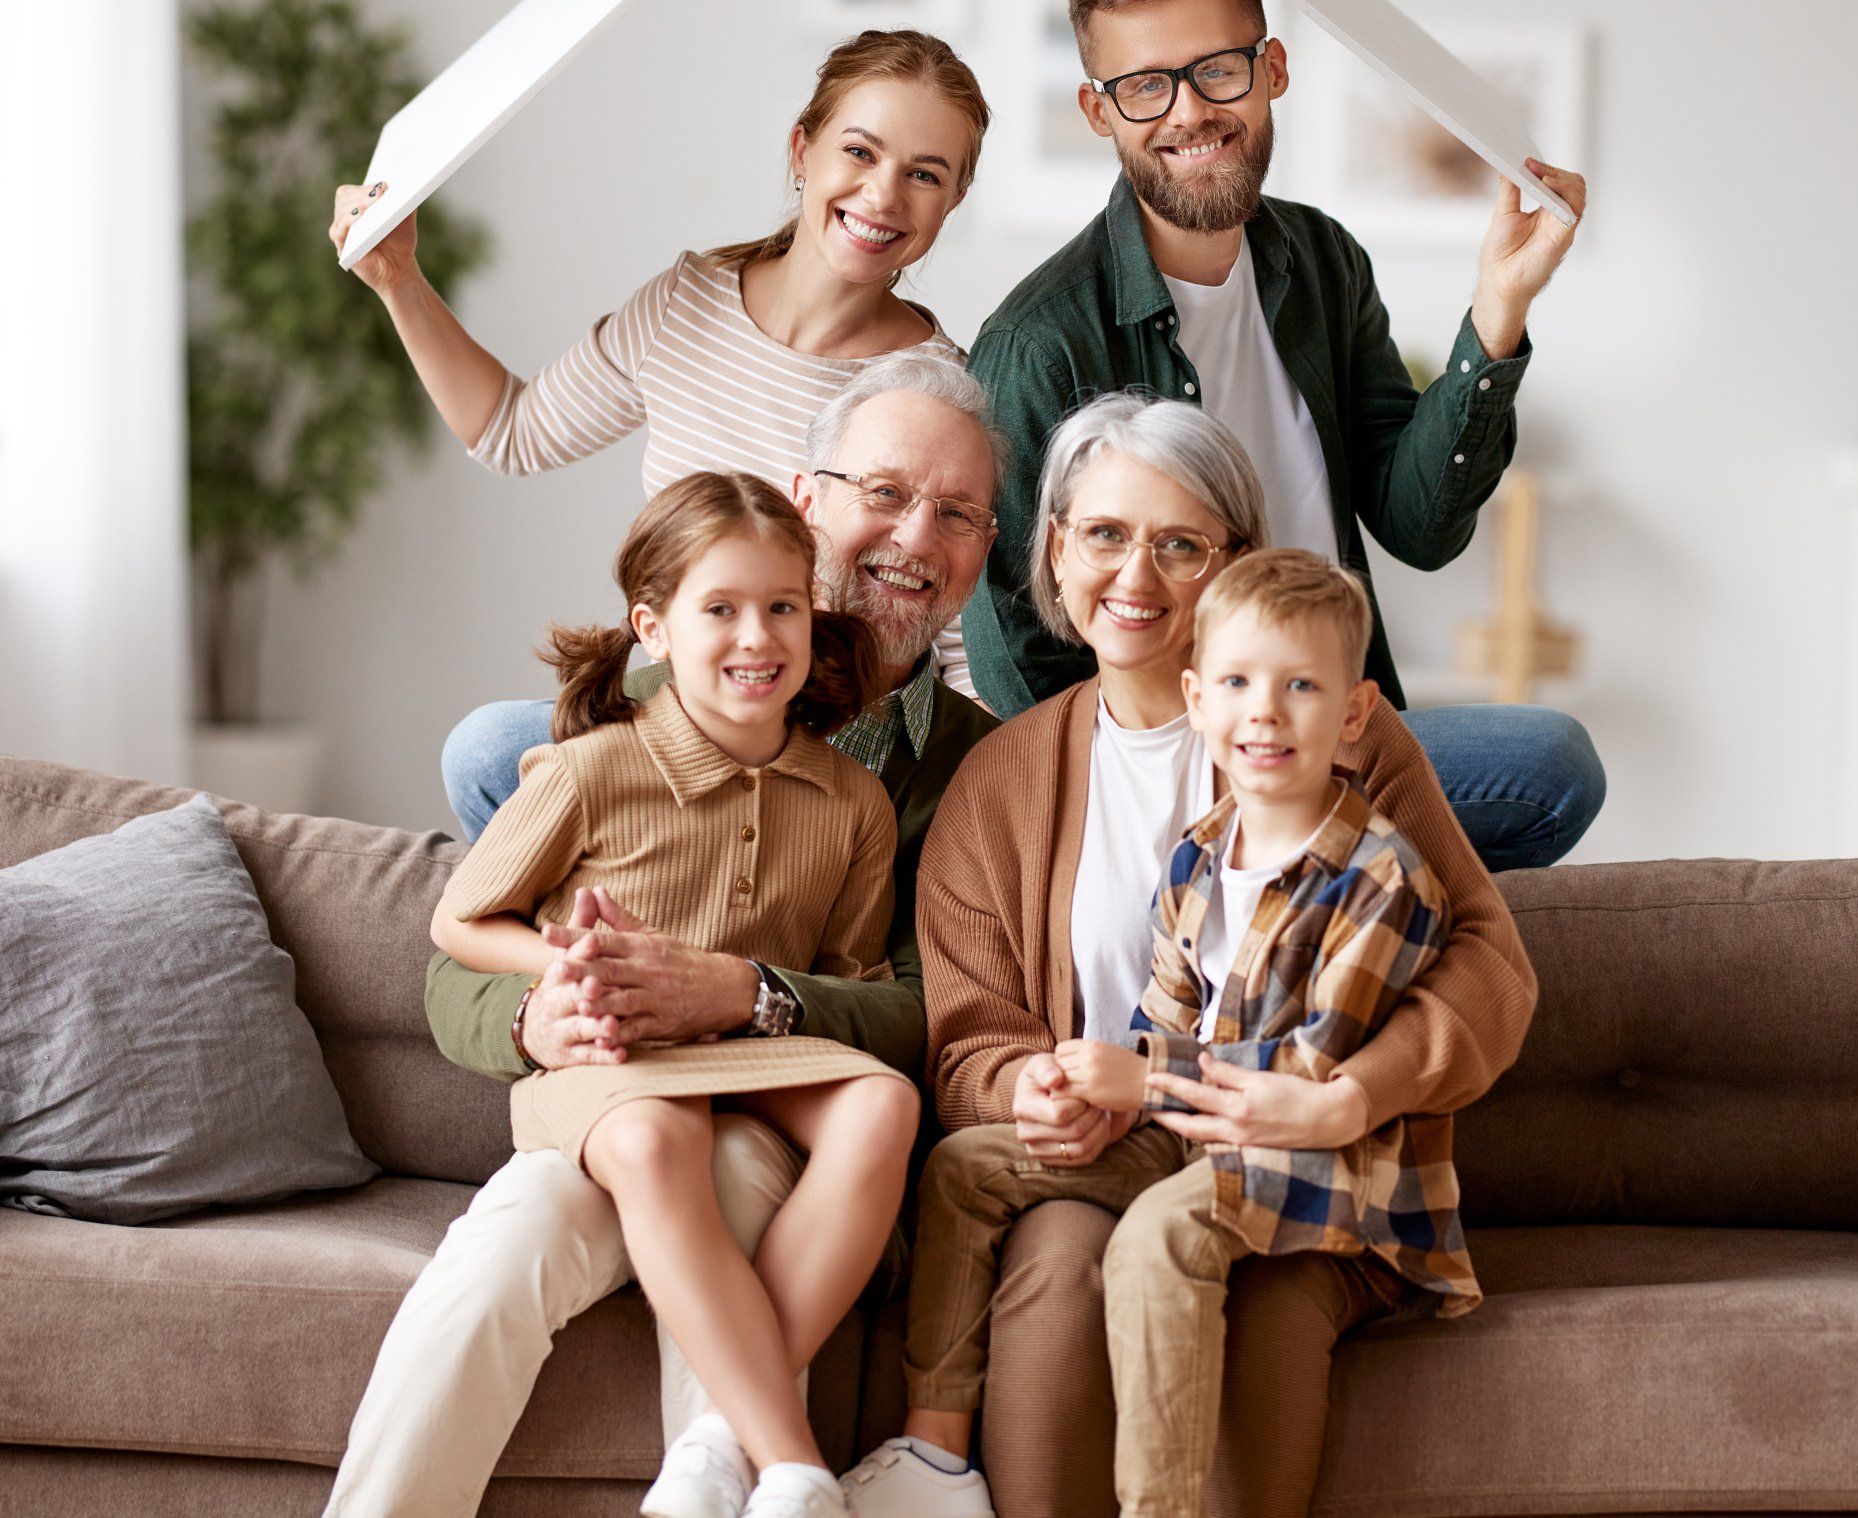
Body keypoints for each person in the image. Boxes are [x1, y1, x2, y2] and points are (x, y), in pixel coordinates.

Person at [326, 357, 1004, 1518]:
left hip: (775, 1120)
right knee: (513, 1235)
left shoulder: (968, 772)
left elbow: (918, 1010)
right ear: (807, 500)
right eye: (886, 491)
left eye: (958, 511)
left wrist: (740, 990)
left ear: (988, 546)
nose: (914, 535)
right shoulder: (629, 717)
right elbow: (461, 956)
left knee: (729, 1169)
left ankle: (729, 1458)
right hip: (617, 1097)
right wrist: (545, 1009)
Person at [843, 395, 1534, 1518]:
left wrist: (1349, 1096)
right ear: (1055, 551)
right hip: (1115, 1147)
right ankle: (941, 1469)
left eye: (1181, 544)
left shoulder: (1339, 740)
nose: (1137, 575)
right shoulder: (1000, 783)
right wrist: (1033, 1088)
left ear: (1236, 565)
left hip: (1312, 1166)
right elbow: (966, 1041)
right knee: (1057, 1264)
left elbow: (1491, 964)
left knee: (1256, 1302)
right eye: (1105, 535)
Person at [961, 0, 1603, 870]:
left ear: (1273, 70)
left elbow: (1421, 528)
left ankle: (1323, 893)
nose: (1189, 111)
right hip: (1176, 764)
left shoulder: (1323, 260)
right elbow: (1013, 650)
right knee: (1542, 769)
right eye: (1145, 86)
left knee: (1552, 770)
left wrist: (1498, 311)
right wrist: (1146, 797)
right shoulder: (1041, 342)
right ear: (1099, 111)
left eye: (1218, 69)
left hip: (1339, 723)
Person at [424, 469, 920, 1518]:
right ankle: (790, 1463)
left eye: (782, 606)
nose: (758, 636)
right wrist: (564, 969)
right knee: (657, 1137)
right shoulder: (585, 769)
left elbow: (856, 983)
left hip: (755, 1058)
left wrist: (750, 993)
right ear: (653, 628)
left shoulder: (855, 802)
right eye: (721, 608)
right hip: (614, 1066)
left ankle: (715, 1441)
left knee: (883, 1100)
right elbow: (457, 923)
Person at [330, 25, 988, 689]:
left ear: (953, 200)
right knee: (490, 740)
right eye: (859, 152)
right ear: (802, 150)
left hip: (831, 736)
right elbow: (511, 429)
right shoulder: (685, 306)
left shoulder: (943, 395)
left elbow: (965, 656)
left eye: (924, 175)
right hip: (671, 715)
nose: (883, 195)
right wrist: (399, 279)